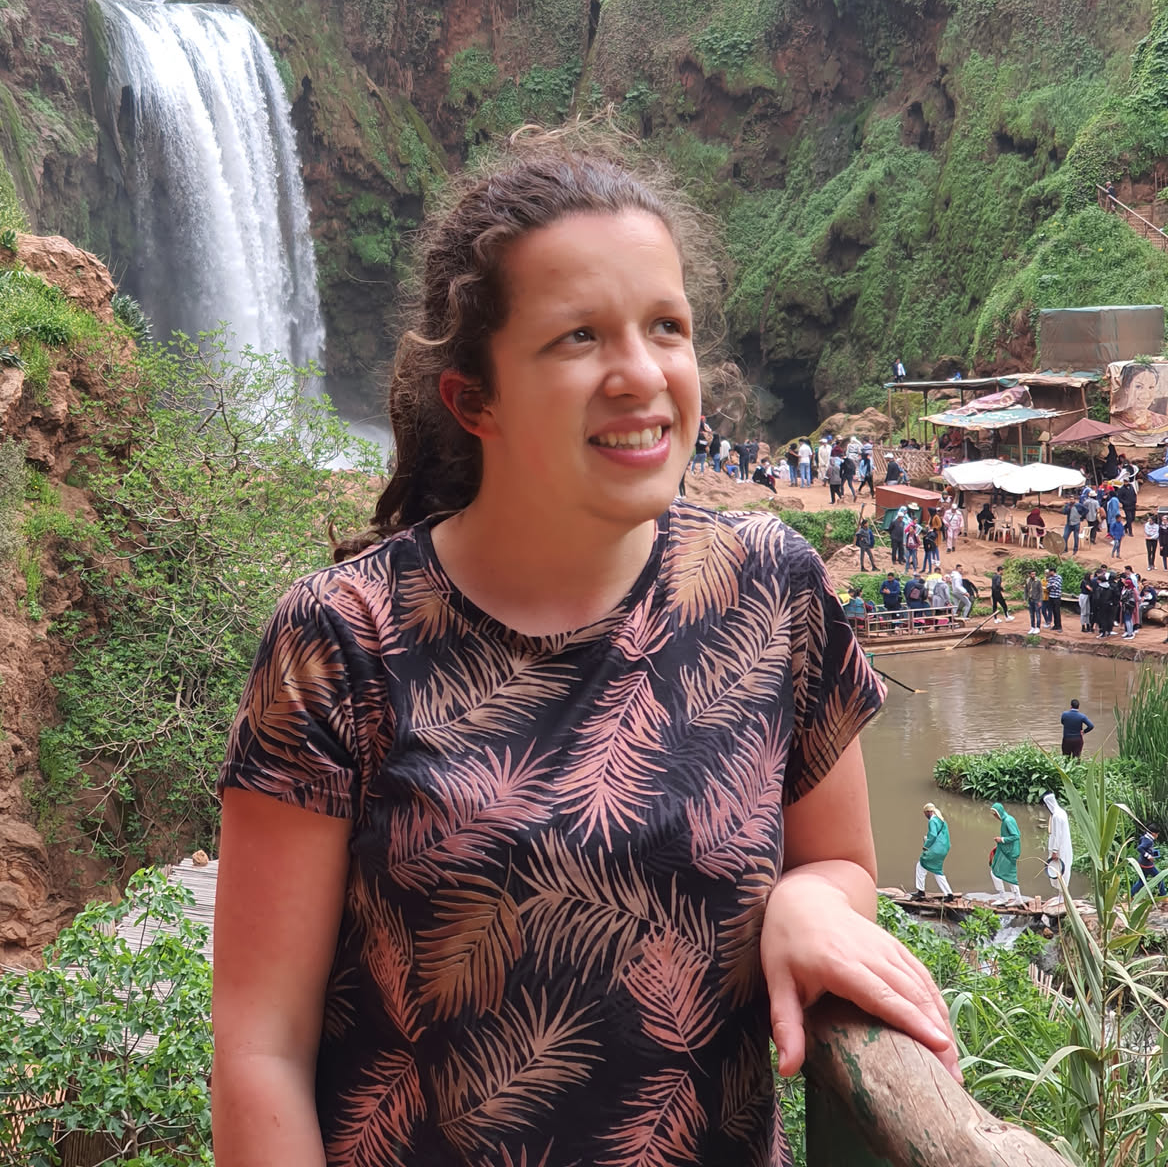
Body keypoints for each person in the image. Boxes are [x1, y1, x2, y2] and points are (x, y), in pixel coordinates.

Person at [212, 140, 958, 1164]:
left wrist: (808, 902)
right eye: (579, 337)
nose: (642, 375)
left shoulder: (770, 587)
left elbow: (837, 861)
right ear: (474, 401)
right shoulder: (343, 641)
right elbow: (262, 1044)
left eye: (666, 327)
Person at [915, 804, 954, 899]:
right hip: (943, 849)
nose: (925, 816)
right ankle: (949, 894)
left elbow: (933, 835)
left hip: (936, 850)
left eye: (925, 813)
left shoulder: (932, 821)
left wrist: (926, 845)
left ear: (928, 812)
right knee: (937, 870)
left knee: (921, 865)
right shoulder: (941, 820)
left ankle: (920, 892)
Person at [989, 803, 1023, 900]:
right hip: (1008, 850)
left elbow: (1016, 836)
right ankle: (1018, 898)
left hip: (1009, 852)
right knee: (1009, 875)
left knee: (995, 872)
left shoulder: (1008, 821)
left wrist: (1002, 839)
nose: (995, 817)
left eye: (995, 814)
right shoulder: (1008, 819)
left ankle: (1003, 897)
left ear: (999, 813)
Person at [1044, 792, 1073, 886]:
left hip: (1059, 848)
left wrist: (1055, 851)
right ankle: (1062, 891)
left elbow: (1057, 834)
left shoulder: (1056, 816)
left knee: (1058, 870)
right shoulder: (1062, 812)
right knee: (1064, 868)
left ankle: (1061, 891)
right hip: (1065, 846)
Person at [1045, 567, 1063, 632]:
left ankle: (1059, 626)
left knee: (1057, 611)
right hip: (1051, 596)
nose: (1049, 573)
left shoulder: (1059, 577)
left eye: (1050, 572)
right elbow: (1048, 587)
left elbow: (1055, 586)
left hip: (1057, 597)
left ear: (1053, 571)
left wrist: (1051, 586)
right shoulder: (1050, 578)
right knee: (1053, 611)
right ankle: (1055, 625)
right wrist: (1051, 586)